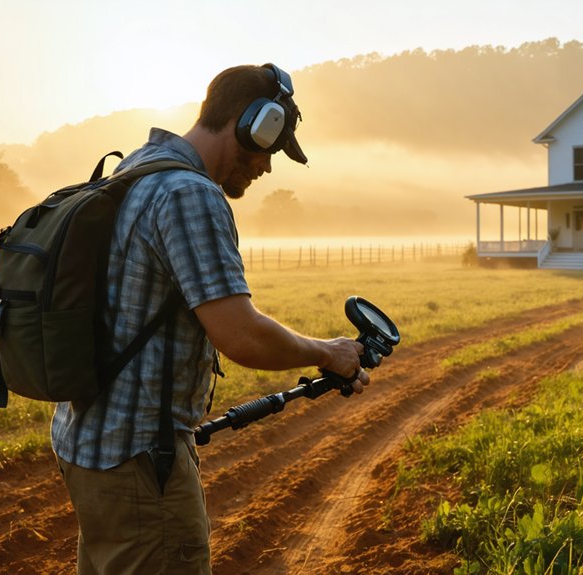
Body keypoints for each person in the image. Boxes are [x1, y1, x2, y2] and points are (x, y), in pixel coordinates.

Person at [50, 63, 369, 575]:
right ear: (251, 125)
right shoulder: (190, 195)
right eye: (271, 147)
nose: (266, 168)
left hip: (88, 442)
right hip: (140, 459)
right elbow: (240, 335)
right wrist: (328, 352)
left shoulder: (138, 166)